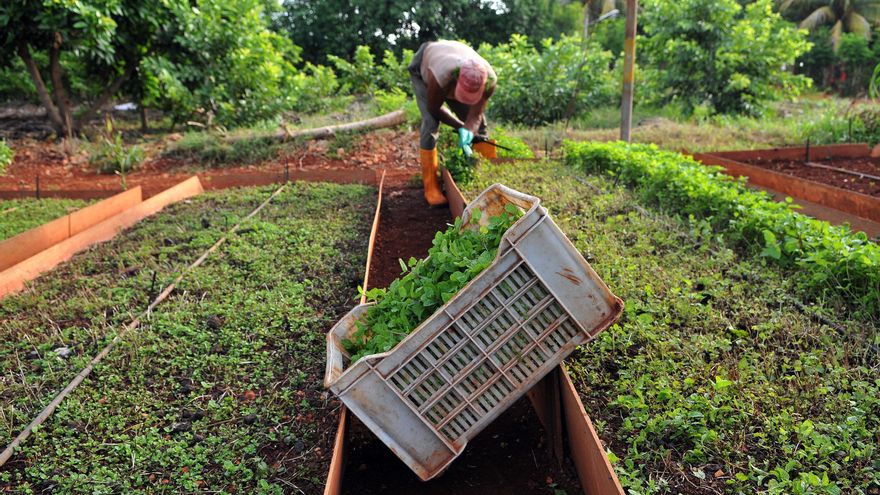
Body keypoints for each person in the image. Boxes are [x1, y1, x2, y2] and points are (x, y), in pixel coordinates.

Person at [409, 40, 497, 206]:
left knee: (481, 127)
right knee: (430, 123)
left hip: (452, 58)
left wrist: (470, 131)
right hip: (424, 65)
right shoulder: (441, 76)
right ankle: (431, 187)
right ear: (456, 82)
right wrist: (459, 126)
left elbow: (475, 115)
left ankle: (484, 174)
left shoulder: (490, 81)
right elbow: (434, 108)